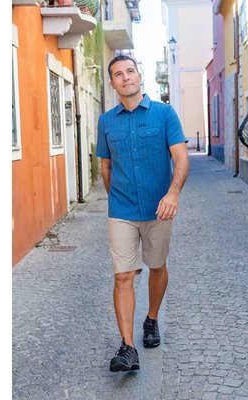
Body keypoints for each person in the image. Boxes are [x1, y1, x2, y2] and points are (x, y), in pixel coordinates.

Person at [95, 55, 189, 372]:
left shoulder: (164, 114)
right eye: (118, 74)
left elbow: (181, 157)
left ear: (140, 76)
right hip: (121, 209)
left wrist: (172, 193)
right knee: (123, 275)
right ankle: (128, 347)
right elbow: (106, 167)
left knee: (156, 266)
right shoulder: (106, 121)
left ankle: (151, 318)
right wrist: (116, 198)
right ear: (112, 83)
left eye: (130, 71)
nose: (125, 77)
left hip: (158, 209)